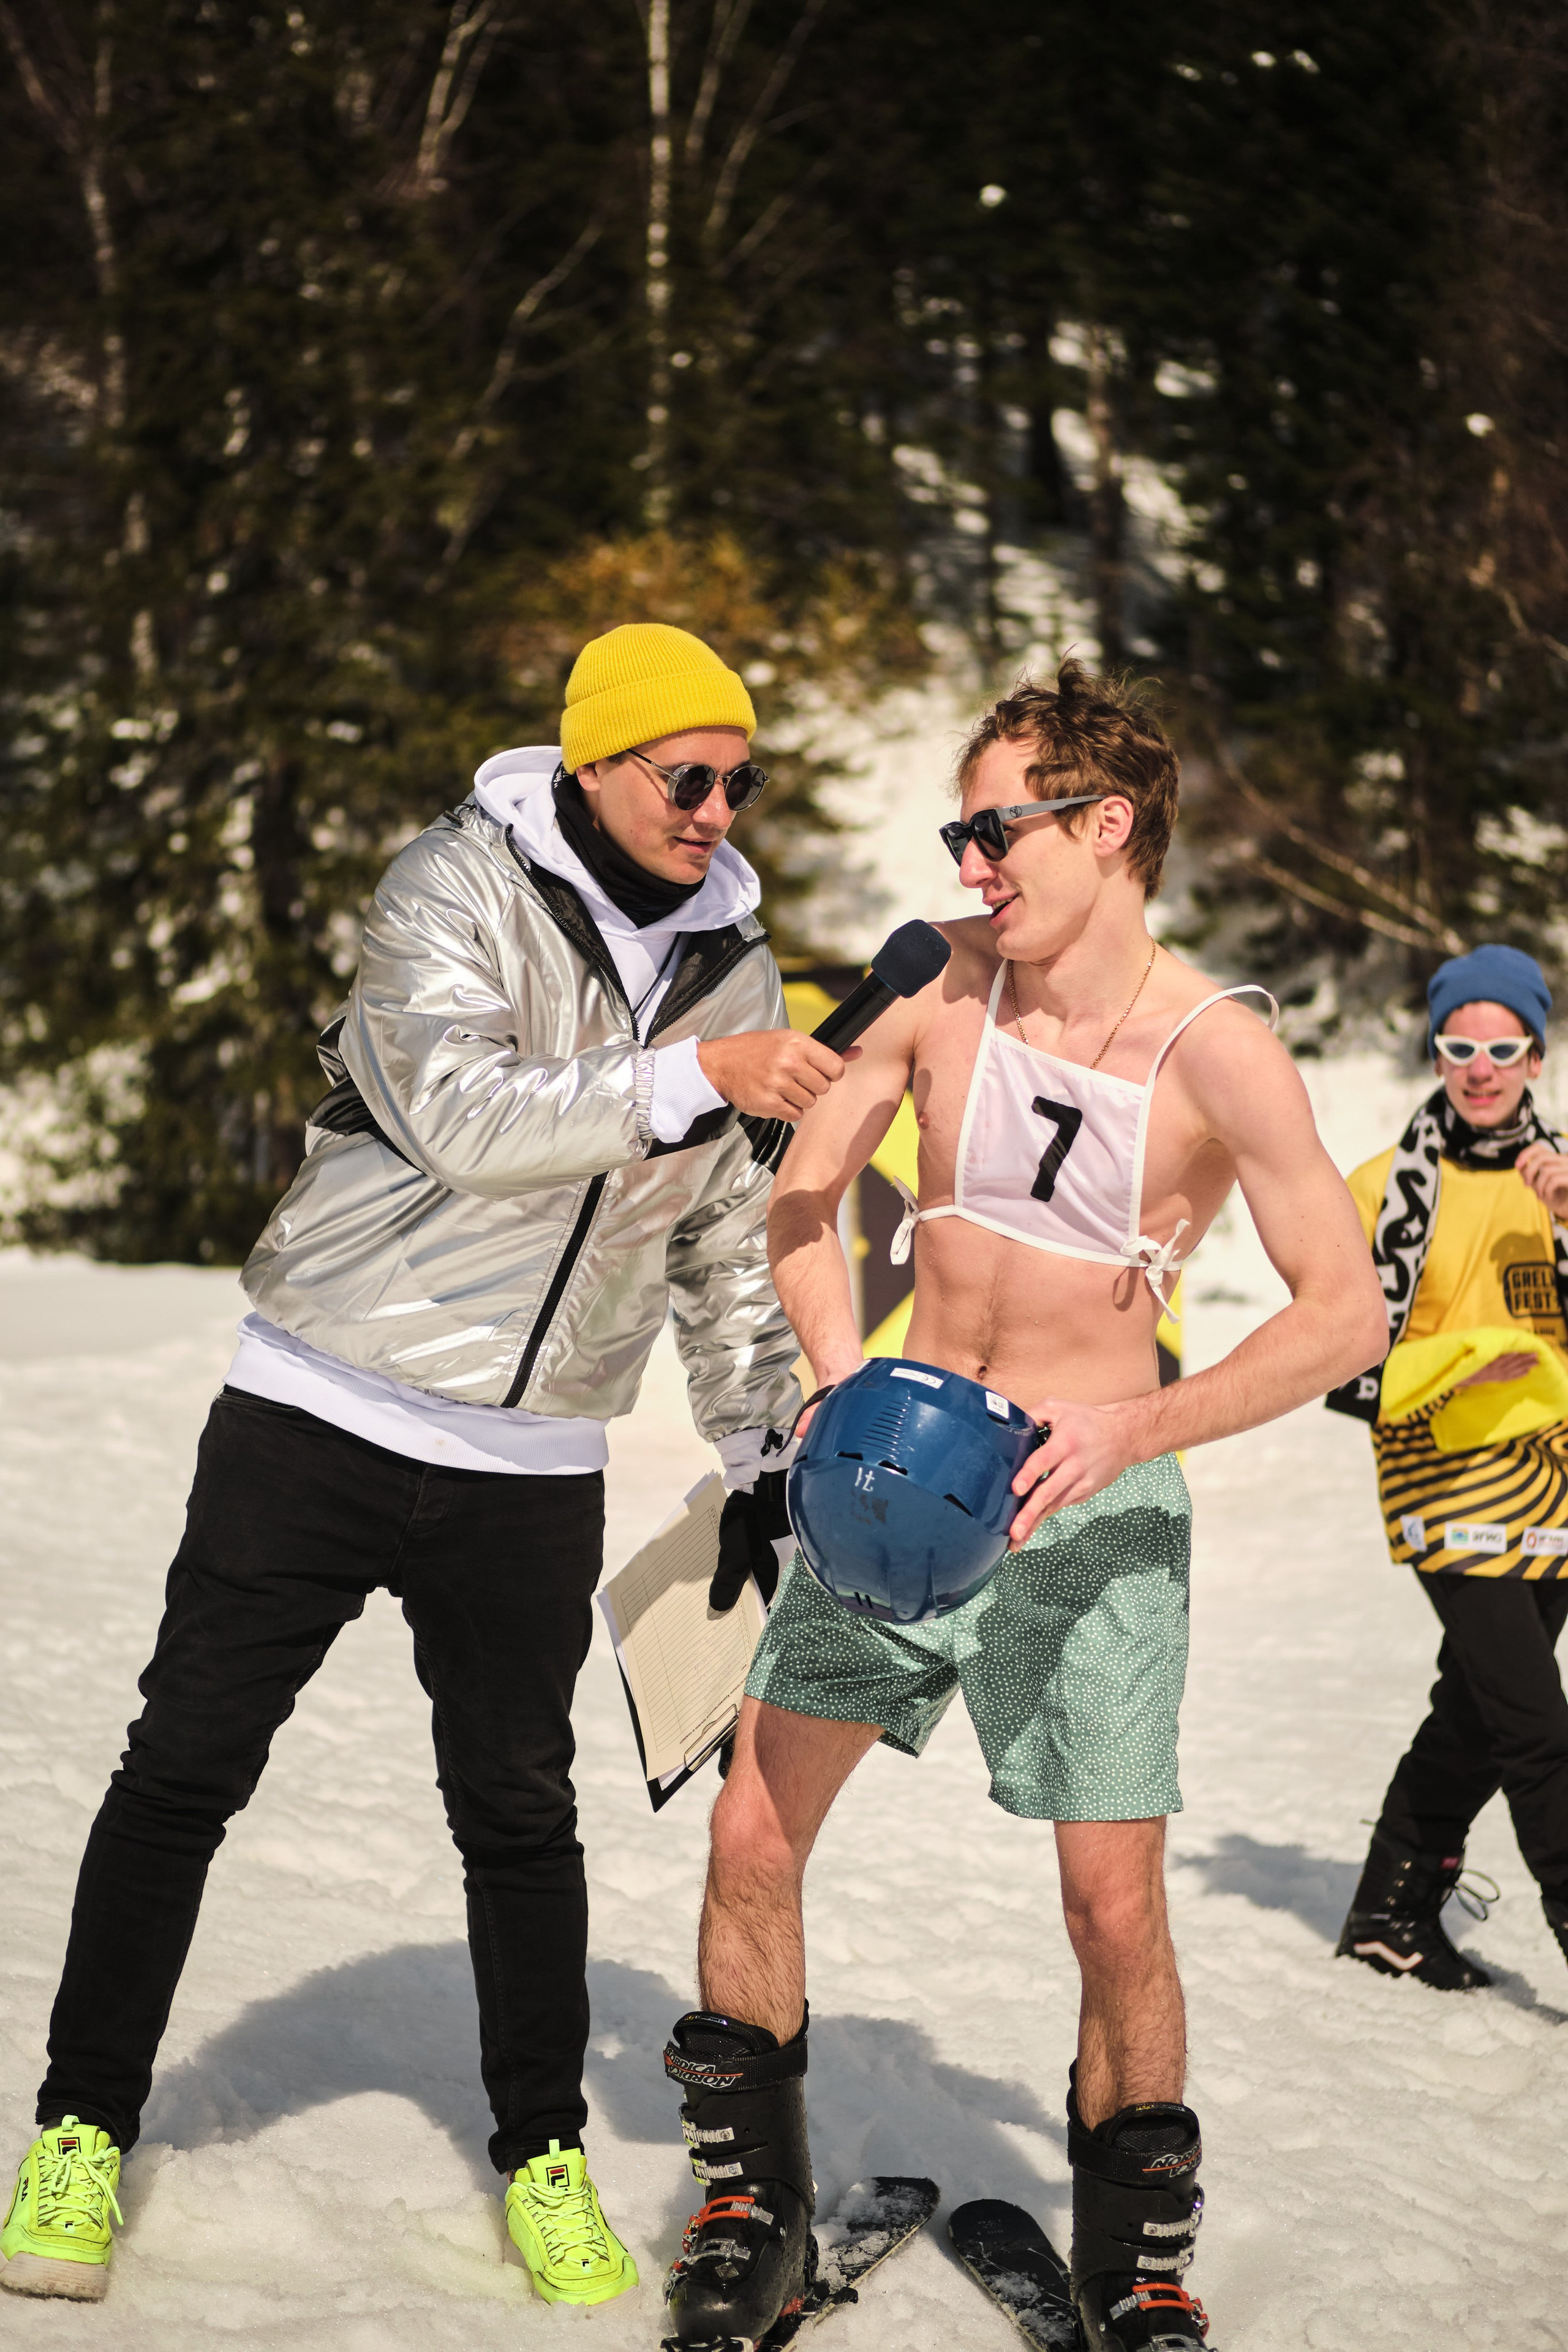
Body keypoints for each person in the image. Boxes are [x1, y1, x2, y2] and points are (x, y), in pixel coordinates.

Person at [0, 623, 836, 2307]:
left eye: (742, 784)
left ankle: (541, 2151)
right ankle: (80, 2131)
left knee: (519, 1812)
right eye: (688, 776)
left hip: (531, 1460)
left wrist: (763, 1442)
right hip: (321, 1408)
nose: (716, 810)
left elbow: (723, 1235)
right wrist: (690, 1073)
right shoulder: (451, 884)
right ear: (594, 761)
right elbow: (460, 1111)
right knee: (183, 1769)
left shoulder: (733, 966)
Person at [657, 659, 1387, 2352]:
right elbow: (802, 1190)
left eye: (996, 832)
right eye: (960, 835)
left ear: (1107, 826)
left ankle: (1137, 2265)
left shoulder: (1218, 1048)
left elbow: (1345, 1314)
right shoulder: (937, 984)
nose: (970, 865)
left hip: (1091, 1508)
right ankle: (753, 2216)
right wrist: (833, 1373)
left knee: (1110, 1906)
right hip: (889, 1484)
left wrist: (1141, 1428)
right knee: (752, 1829)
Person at [1332, 945, 1568, 1992]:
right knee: (1536, 1725)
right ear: (1435, 1052)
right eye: (1459, 1047)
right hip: (1444, 1481)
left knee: (1480, 1708)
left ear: (1536, 1056)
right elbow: (1340, 1358)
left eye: (1503, 1050)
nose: (1480, 1069)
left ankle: (1391, 1910)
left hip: (1552, 1481)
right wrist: (1463, 1364)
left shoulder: (1561, 1178)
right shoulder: (1380, 1191)